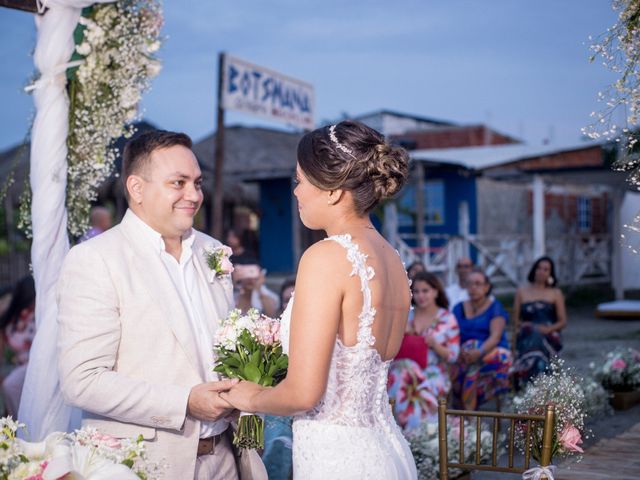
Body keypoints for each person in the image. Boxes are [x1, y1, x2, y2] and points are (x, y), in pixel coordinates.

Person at [56, 130, 266, 479]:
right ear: (137, 188)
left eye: (197, 183)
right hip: (147, 463)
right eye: (178, 183)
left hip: (229, 459)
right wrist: (184, 402)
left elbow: (228, 354)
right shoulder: (95, 259)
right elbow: (82, 380)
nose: (194, 195)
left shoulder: (213, 252)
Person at [220, 121, 418, 479]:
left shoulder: (326, 257)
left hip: (337, 458)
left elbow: (303, 393)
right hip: (388, 451)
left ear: (333, 190)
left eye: (300, 180)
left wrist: (246, 396)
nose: (296, 192)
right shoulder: (393, 259)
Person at [388, 272, 460, 429]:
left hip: (433, 371)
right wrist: (400, 334)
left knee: (406, 379)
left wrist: (435, 345)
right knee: (402, 372)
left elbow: (453, 356)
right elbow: (390, 350)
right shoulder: (407, 316)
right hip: (402, 368)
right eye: (416, 291)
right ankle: (423, 432)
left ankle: (414, 431)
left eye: (425, 291)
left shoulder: (447, 318)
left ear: (435, 291)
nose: (420, 296)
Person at [451, 268, 512, 410]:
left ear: (487, 287)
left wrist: (478, 352)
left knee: (473, 350)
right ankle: (468, 416)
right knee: (468, 366)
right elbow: (452, 334)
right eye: (470, 283)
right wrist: (461, 351)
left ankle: (466, 416)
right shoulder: (458, 308)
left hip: (491, 355)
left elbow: (495, 337)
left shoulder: (495, 307)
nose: (473, 288)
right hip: (464, 356)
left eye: (478, 284)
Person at [511, 256, 567, 389]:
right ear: (534, 270)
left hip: (549, 333)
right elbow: (515, 319)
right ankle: (535, 386)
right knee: (533, 333)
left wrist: (549, 329)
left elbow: (563, 321)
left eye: (546, 269)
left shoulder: (555, 293)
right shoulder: (521, 292)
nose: (541, 271)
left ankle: (534, 385)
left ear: (550, 274)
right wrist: (524, 326)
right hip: (527, 331)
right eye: (539, 268)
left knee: (538, 336)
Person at [0, 276, 36, 417]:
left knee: (11, 384)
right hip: (21, 368)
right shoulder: (10, 319)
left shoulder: (40, 313)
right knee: (10, 385)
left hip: (38, 365)